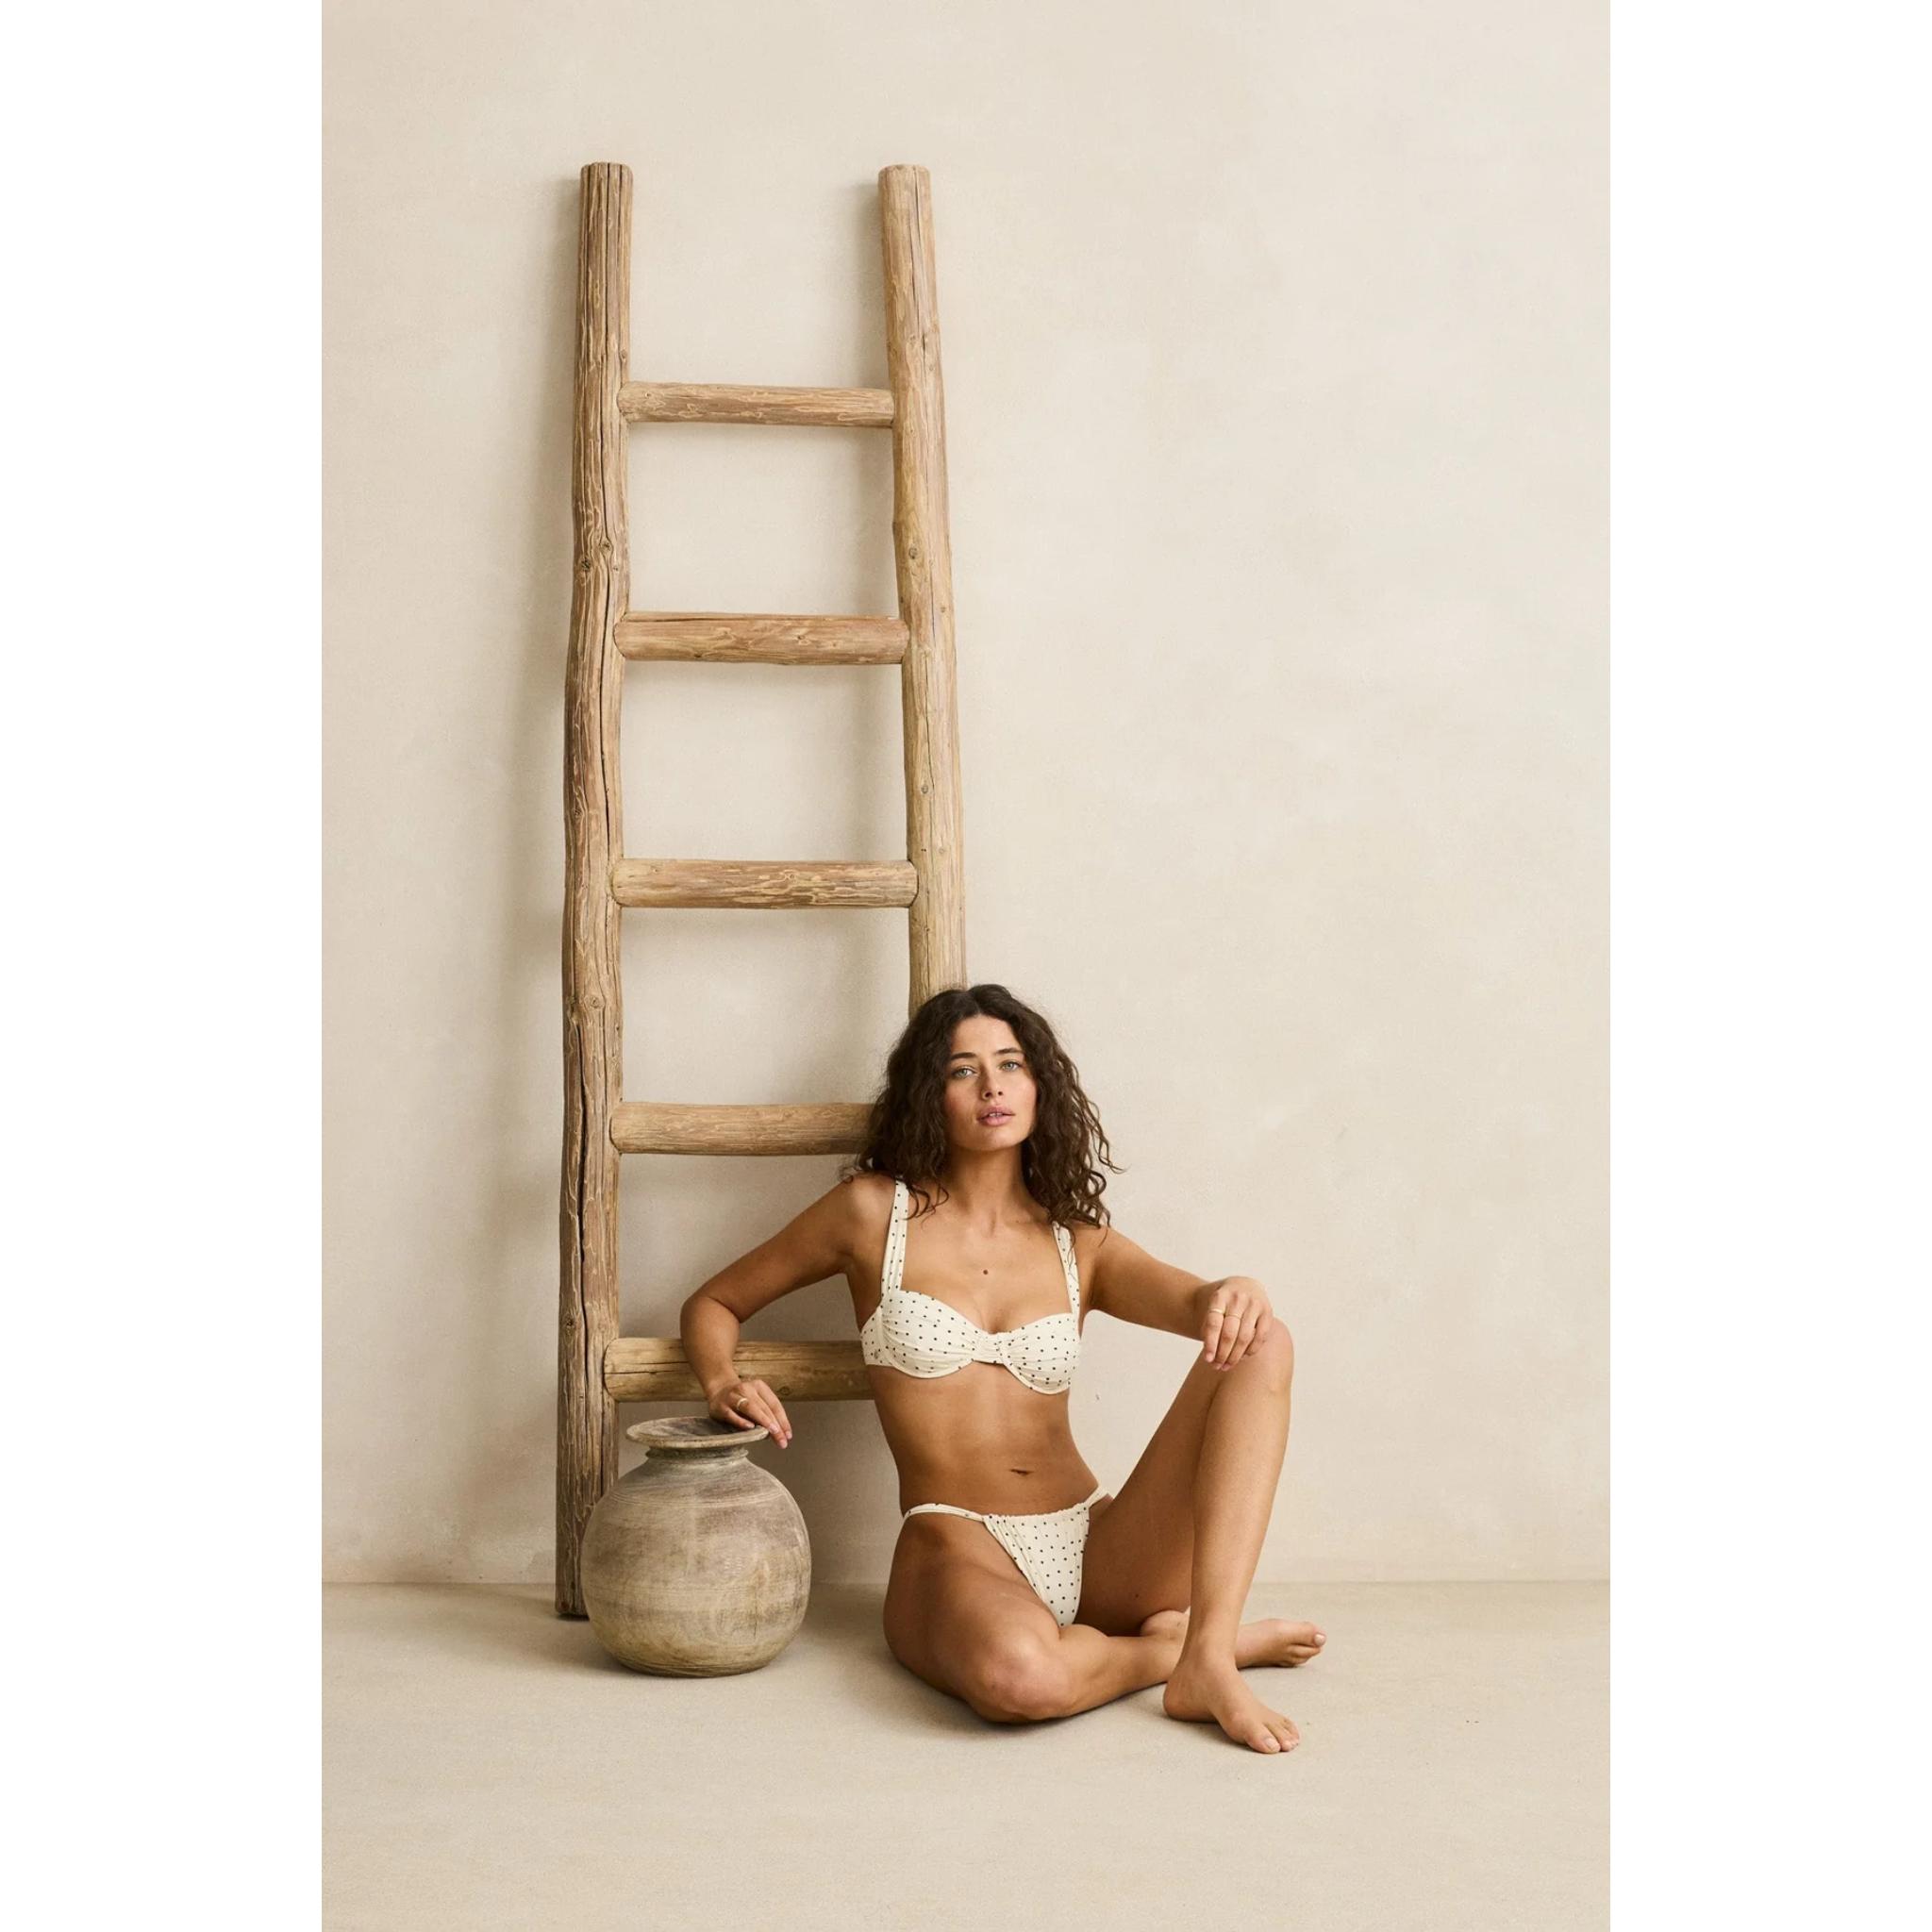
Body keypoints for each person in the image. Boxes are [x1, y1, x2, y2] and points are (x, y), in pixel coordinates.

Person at [679, 982, 1324, 1753]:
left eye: (1011, 1064)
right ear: (931, 1095)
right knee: (1022, 1682)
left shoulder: (1077, 1242)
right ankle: (1173, 1654)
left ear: (1038, 1085)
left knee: (1265, 1340)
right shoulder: (871, 1214)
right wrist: (722, 1380)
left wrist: (1235, 1289)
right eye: (963, 1070)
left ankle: (1208, 1656)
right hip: (959, 1548)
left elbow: (1203, 1305)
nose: (992, 1086)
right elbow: (714, 1302)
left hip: (1097, 1546)